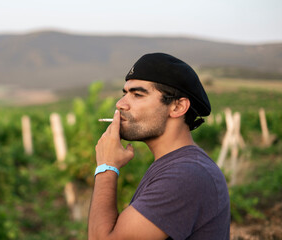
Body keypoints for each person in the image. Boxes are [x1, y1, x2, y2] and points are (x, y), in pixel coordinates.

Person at [88, 53, 230, 240]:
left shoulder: (186, 175)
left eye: (137, 95)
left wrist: (106, 166)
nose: (120, 104)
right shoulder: (175, 166)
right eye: (125, 93)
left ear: (178, 107)